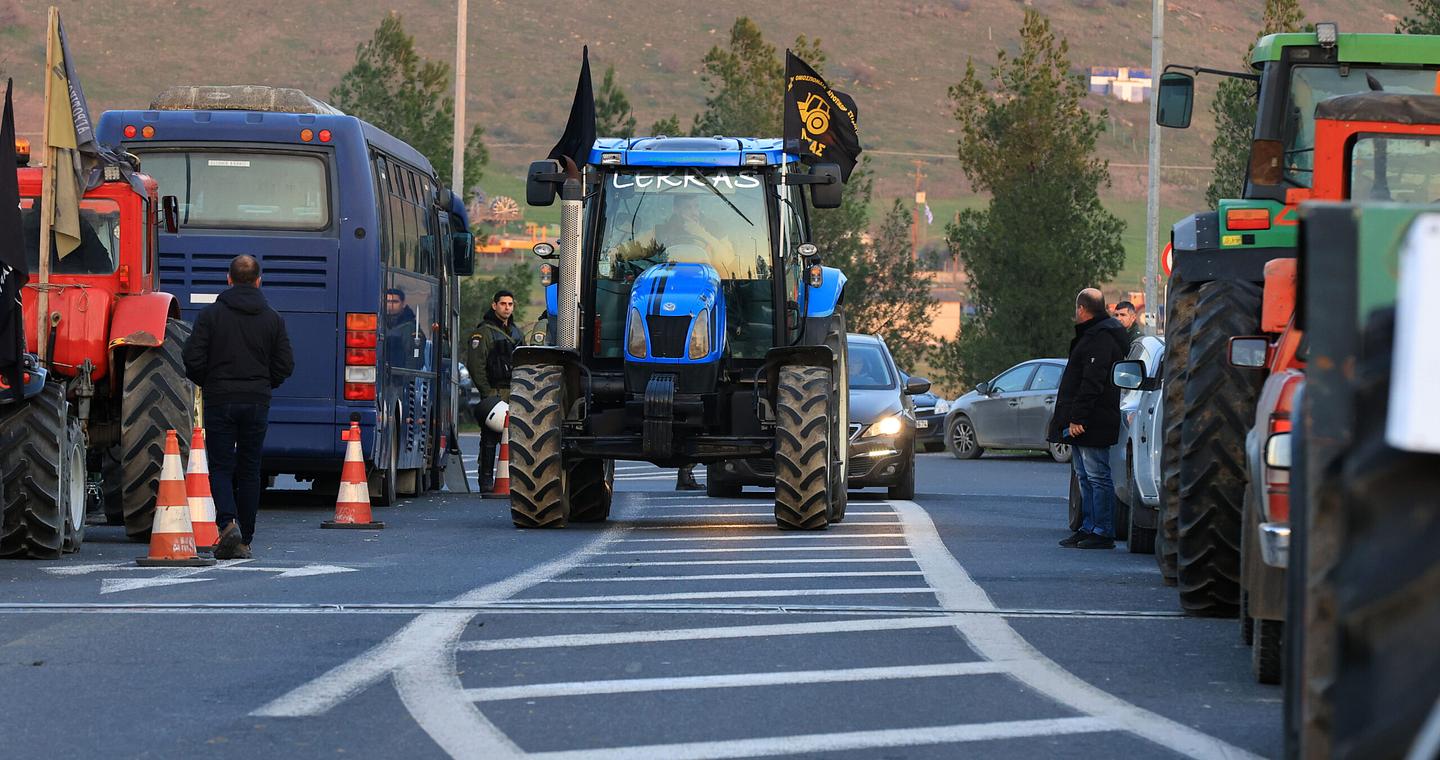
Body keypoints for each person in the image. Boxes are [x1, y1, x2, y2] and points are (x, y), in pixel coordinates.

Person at [182, 255, 294, 559]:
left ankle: (227, 523)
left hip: (220, 400)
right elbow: (285, 364)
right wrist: (264, 384)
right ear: (259, 281)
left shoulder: (210, 316)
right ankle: (245, 538)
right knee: (249, 468)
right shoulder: (273, 318)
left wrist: (210, 382)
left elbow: (192, 358)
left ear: (228, 279)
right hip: (257, 401)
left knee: (219, 466)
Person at [1050, 288, 1129, 550]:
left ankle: (1102, 530)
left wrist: (1077, 417)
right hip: (1087, 418)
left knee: (1096, 475)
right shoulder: (1096, 335)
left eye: (1077, 309)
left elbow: (1092, 382)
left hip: (1093, 419)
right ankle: (1087, 526)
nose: (1076, 313)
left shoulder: (1101, 338)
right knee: (1084, 475)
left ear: (1083, 309)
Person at [466, 290, 523, 491]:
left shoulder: (516, 333)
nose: (507, 308)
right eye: (503, 304)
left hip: (515, 392)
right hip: (495, 392)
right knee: (490, 439)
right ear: (494, 306)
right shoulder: (484, 333)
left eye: (510, 304)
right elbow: (475, 365)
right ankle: (486, 481)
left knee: (517, 439)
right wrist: (487, 392)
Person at [383, 288, 421, 368]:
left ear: (403, 304)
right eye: (387, 302)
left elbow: (412, 361)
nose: (390, 305)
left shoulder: (410, 328)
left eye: (395, 302)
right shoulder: (380, 323)